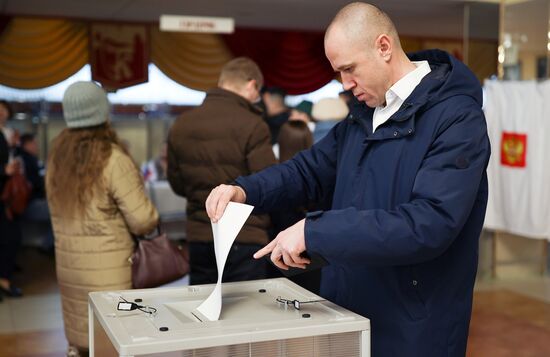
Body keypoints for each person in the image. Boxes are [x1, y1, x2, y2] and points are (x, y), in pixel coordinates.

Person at [205, 3, 490, 357]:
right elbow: (306, 171)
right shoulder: (363, 117)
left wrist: (314, 231)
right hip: (348, 310)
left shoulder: (457, 120)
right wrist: (245, 190)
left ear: (383, 47)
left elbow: (428, 224)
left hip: (415, 324)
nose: (345, 83)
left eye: (349, 69)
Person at [46, 81, 159, 357]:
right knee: (112, 341)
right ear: (102, 113)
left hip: (70, 268)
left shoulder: (56, 159)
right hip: (111, 273)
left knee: (83, 342)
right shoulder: (113, 158)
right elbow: (143, 220)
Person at [167, 57, 276, 285]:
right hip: (245, 235)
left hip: (199, 234)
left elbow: (177, 183)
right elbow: (269, 183)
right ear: (251, 85)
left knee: (204, 312)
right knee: (246, 315)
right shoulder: (253, 125)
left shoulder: (182, 123)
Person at [18, 133, 54, 253]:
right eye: (34, 143)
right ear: (26, 144)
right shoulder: (26, 160)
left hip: (30, 202)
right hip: (29, 204)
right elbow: (36, 183)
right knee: (59, 213)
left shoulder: (30, 159)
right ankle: (47, 246)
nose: (36, 147)